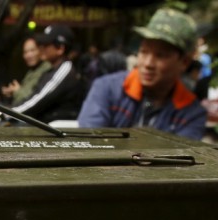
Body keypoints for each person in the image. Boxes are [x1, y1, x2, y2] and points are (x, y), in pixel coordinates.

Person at [78, 8, 207, 140]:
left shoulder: (192, 113)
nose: (147, 63)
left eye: (160, 55)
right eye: (144, 52)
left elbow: (184, 157)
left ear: (184, 62)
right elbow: (90, 144)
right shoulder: (106, 89)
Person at [8, 25, 85, 123]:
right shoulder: (53, 69)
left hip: (55, 131)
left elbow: (36, 101)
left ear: (60, 49)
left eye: (46, 45)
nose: (41, 48)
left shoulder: (64, 70)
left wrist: (5, 113)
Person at [1, 37, 51, 107]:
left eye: (32, 50)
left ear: (40, 50)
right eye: (25, 52)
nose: (29, 55)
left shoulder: (47, 69)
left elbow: (31, 100)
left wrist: (17, 90)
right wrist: (11, 92)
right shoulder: (31, 71)